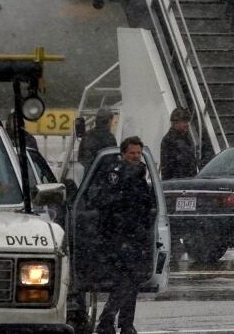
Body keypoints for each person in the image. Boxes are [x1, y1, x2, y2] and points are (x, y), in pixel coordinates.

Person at [94, 136, 155, 334]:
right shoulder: (120, 174)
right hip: (122, 236)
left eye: (138, 153)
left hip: (135, 235)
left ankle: (126, 323)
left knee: (133, 279)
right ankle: (107, 319)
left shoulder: (137, 172)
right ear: (123, 154)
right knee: (127, 279)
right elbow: (113, 204)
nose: (136, 157)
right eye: (132, 153)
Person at [78, 108, 117, 176]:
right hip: (104, 177)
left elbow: (81, 157)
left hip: (88, 178)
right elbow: (112, 160)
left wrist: (90, 167)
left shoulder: (87, 135)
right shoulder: (109, 137)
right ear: (109, 120)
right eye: (112, 120)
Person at [160, 107, 197, 179]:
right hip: (179, 183)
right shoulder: (169, 140)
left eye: (187, 122)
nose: (187, 124)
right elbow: (167, 168)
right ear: (176, 123)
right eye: (184, 122)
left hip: (186, 182)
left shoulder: (185, 138)